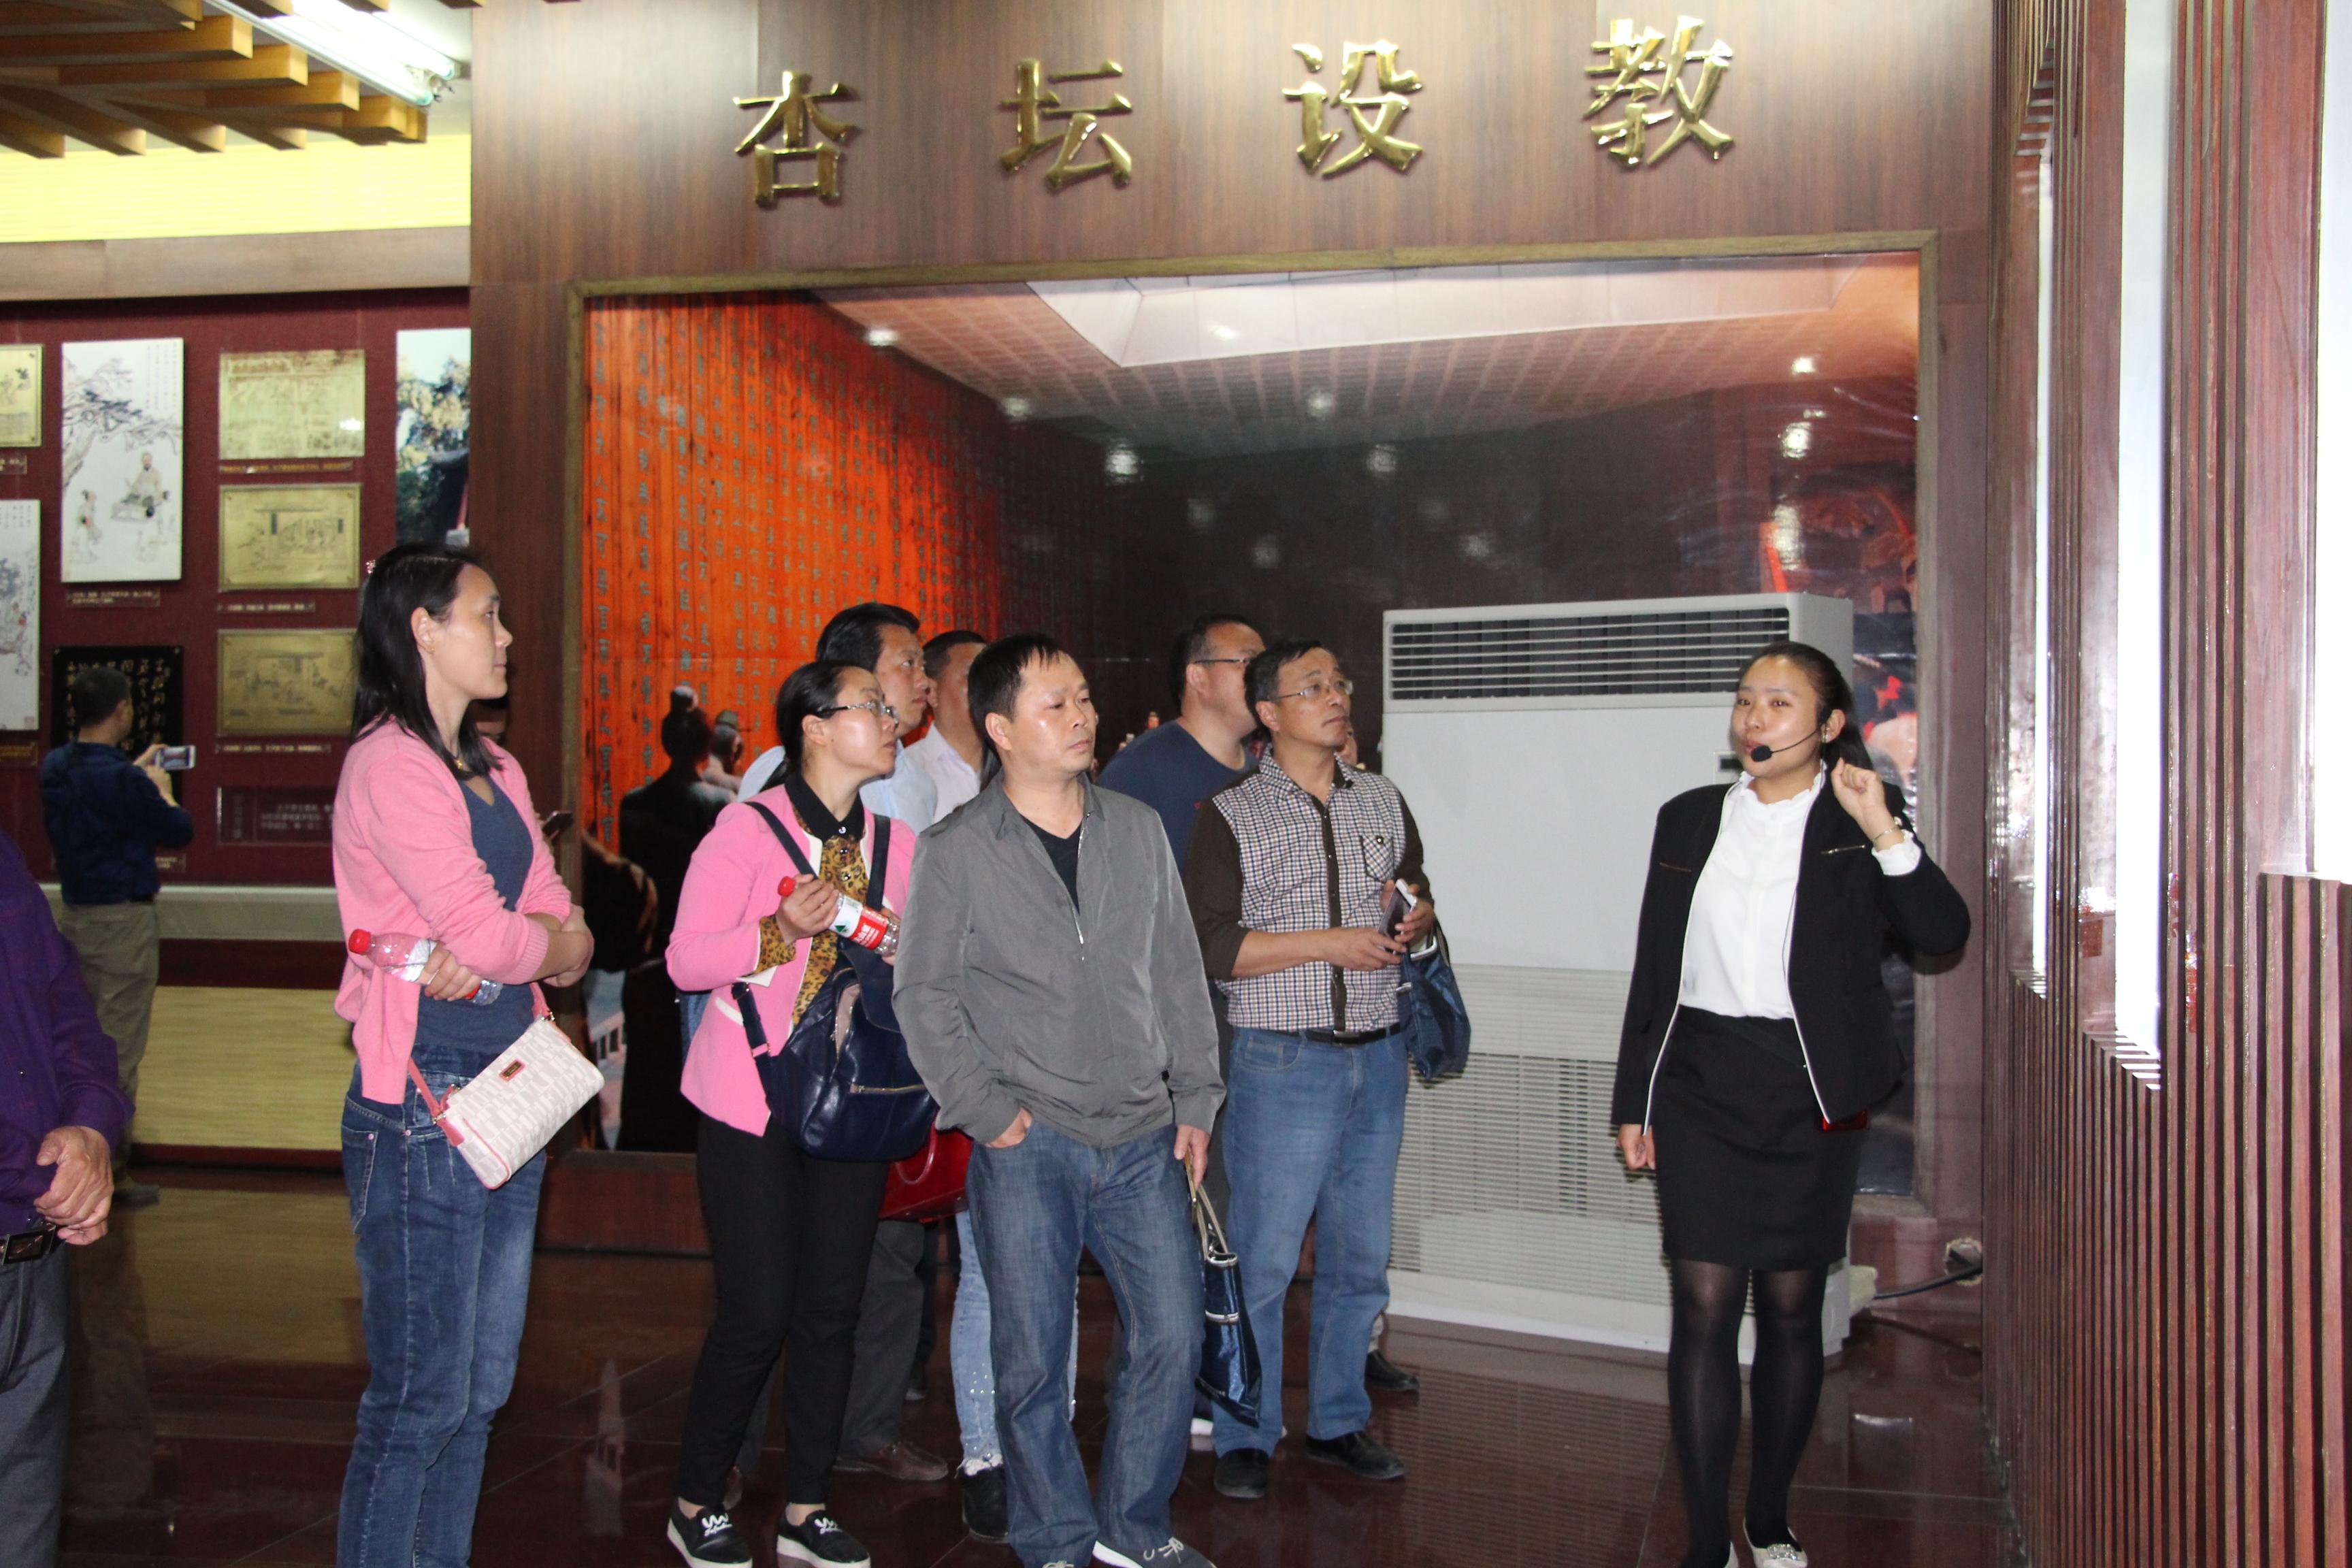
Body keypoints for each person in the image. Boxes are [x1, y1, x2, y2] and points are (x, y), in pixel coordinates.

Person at [1611, 641, 1970, 1568]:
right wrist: (1633, 1098)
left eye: (1778, 703)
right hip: (1700, 1082)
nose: (1754, 719)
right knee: (1702, 1304)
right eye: (1745, 701)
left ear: (1830, 724)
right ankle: (1706, 1542)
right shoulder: (1689, 818)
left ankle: (1769, 1518)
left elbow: (1942, 932)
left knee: (1790, 1304)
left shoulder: (1856, 822)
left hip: (1809, 1086)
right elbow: (1656, 968)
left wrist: (1886, 828)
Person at [897, 634, 1222, 1568]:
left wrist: (1196, 1096)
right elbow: (924, 995)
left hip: (1142, 1131)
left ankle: (1133, 1530)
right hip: (1027, 1138)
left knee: (1172, 1335)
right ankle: (1053, 1538)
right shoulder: (958, 849)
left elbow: (1177, 970)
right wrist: (985, 1110)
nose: (1082, 717)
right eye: (1056, 704)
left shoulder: (1136, 828)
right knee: (1033, 1358)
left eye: (1083, 697)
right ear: (1001, 728)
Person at [331, 542, 595, 1568]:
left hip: (511, 1086)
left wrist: (539, 943)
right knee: (420, 1398)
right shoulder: (389, 764)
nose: (506, 636)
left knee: (481, 1393)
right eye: (487, 614)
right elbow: (493, 932)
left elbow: (561, 924)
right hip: (422, 1098)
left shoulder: (498, 768)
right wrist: (530, 944)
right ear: (422, 628)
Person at [664, 659, 919, 1568]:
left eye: (889, 709)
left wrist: (905, 949)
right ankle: (696, 1499)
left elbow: (917, 970)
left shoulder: (897, 844)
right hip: (752, 1099)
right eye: (872, 708)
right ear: (814, 726)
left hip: (854, 1098)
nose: (891, 721)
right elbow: (685, 961)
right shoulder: (746, 830)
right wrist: (780, 933)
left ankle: (808, 1506)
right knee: (757, 1309)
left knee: (833, 1308)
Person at [1187, 640, 1437, 1503]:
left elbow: (1416, 887)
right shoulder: (1229, 814)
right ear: (1269, 712)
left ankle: (1337, 1422)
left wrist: (1416, 916)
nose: (1336, 697)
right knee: (1263, 1260)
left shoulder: (1382, 797)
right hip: (1282, 1059)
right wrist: (1328, 944)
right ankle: (1244, 1434)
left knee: (1360, 1257)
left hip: (1380, 1053)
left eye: (1340, 683)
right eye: (1313, 687)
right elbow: (1212, 946)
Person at [0, 823, 129, 1568]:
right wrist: (43, 1175)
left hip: (32, 1266)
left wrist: (90, 1126)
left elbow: (64, 1003)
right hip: (32, 1200)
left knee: (23, 1534)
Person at [39, 664, 193, 1209]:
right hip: (124, 923)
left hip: (74, 916)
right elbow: (178, 829)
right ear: (123, 710)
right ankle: (112, 1167)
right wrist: (162, 792)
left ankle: (57, 1156)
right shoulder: (127, 782)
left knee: (70, 1039)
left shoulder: (55, 767)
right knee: (118, 1047)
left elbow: (98, 794)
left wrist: (134, 776)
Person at [617, 688, 736, 1151]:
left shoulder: (635, 803)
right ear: (707, 746)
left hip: (650, 952)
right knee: (690, 1068)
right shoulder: (719, 801)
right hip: (698, 953)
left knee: (648, 1073)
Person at [1099, 613, 1262, 868]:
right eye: (1249, 663)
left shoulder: (1262, 773)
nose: (1264, 678)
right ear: (1198, 676)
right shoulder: (1137, 772)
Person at [904, 630, 987, 819]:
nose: (989, 686)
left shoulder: (1016, 765)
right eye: (974, 675)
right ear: (932, 692)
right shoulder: (910, 771)